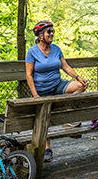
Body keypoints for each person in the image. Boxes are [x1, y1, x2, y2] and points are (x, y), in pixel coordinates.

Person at [25, 20, 88, 162]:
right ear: (40, 34)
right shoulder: (32, 52)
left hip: (57, 86)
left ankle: (67, 117)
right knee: (44, 120)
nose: (52, 33)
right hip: (41, 91)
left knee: (79, 86)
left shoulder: (56, 49)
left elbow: (65, 66)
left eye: (53, 31)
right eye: (49, 31)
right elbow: (28, 74)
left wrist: (78, 77)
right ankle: (47, 149)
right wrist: (35, 95)